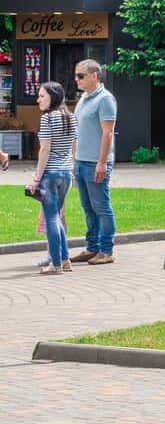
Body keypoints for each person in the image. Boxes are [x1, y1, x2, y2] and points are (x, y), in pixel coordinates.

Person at [69, 59, 117, 265]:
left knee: (101, 207)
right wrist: (73, 159)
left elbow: (107, 133)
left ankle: (106, 250)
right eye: (76, 76)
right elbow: (77, 132)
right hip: (81, 161)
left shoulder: (105, 99)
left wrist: (102, 163)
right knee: (88, 208)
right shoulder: (84, 99)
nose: (76, 80)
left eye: (81, 76)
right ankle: (92, 247)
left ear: (94, 75)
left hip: (94, 162)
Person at [28, 81, 75, 274]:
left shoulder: (47, 119)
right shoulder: (71, 117)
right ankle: (65, 260)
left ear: (53, 98)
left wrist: (36, 179)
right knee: (57, 216)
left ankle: (55, 264)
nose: (38, 100)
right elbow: (74, 147)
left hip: (50, 174)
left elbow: (45, 149)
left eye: (42, 96)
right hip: (65, 174)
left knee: (51, 220)